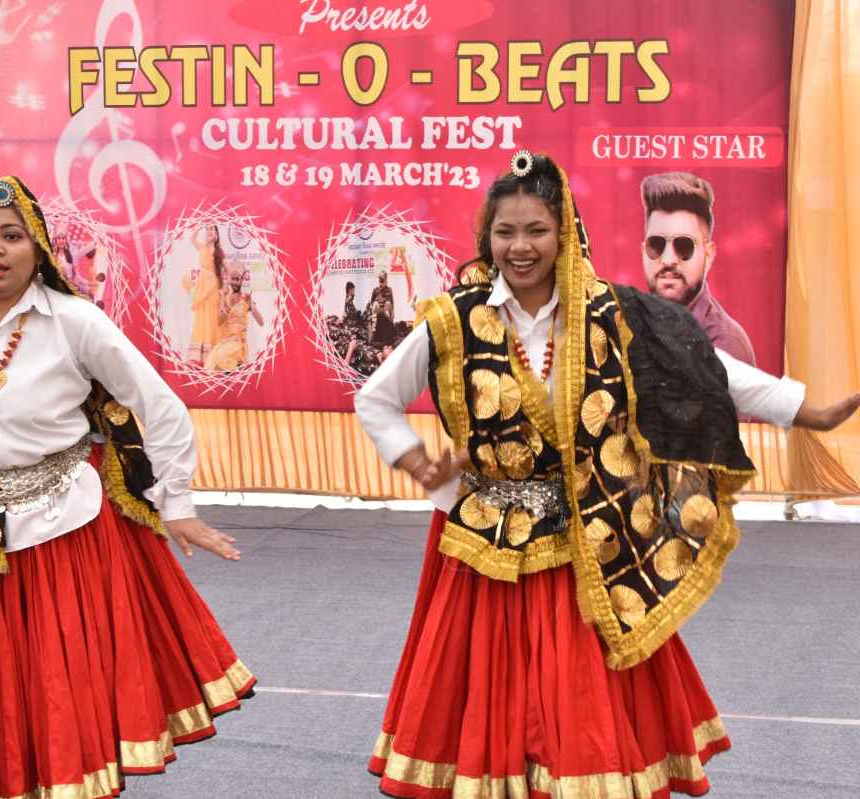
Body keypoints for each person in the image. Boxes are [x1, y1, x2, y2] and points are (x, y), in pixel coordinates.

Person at [356, 151, 860, 798]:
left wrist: (804, 410)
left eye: (536, 229)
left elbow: (708, 368)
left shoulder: (613, 314)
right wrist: (418, 462)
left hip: (584, 557)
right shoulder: (454, 319)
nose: (520, 247)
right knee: (490, 721)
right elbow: (375, 397)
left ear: (563, 230)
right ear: (488, 237)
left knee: (581, 726)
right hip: (486, 561)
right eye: (505, 232)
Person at [0, 177, 254, 798]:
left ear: (38, 248)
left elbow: (157, 407)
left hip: (65, 525)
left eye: (11, 236)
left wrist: (177, 503)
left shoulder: (75, 321)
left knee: (61, 684)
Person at [640, 171, 756, 364]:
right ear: (644, 251)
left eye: (684, 246)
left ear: (708, 255)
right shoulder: (629, 327)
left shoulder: (725, 347)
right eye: (657, 245)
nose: (668, 259)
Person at [205, 264, 265, 371]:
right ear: (228, 280)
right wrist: (228, 304)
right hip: (227, 342)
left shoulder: (246, 298)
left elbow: (261, 322)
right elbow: (219, 321)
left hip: (239, 345)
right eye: (233, 279)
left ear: (242, 280)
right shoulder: (225, 298)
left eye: (237, 279)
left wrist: (251, 305)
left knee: (227, 363)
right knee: (215, 361)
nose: (235, 282)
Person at [182, 224, 225, 365]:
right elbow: (192, 238)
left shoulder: (219, 252)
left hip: (213, 288)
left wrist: (226, 289)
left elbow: (227, 269)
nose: (209, 231)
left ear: (217, 233)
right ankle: (199, 356)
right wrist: (200, 225)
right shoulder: (202, 247)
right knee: (201, 318)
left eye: (212, 228)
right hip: (202, 287)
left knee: (211, 319)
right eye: (208, 229)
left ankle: (213, 357)